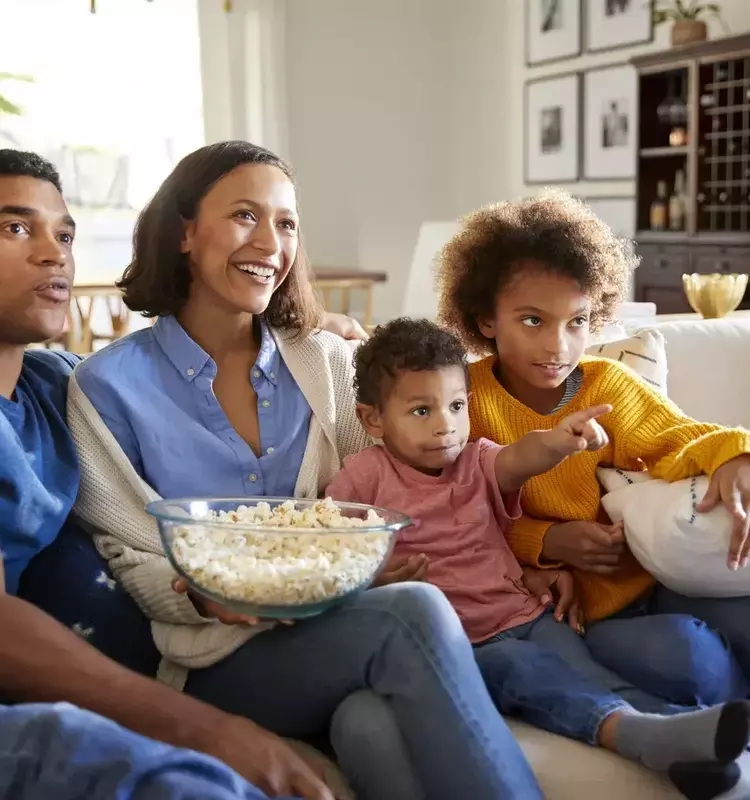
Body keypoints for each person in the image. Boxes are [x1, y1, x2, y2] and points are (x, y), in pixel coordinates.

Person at [69, 139, 547, 800]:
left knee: (368, 727)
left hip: (340, 629)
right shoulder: (106, 386)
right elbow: (127, 551)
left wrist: (531, 552)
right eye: (245, 215)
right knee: (414, 612)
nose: (270, 241)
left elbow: (412, 484)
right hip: (215, 657)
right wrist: (204, 591)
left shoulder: (329, 364)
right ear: (184, 231)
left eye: (286, 223)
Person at [0, 148, 338, 799]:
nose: (54, 254)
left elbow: (148, 380)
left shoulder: (56, 387)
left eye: (63, 234)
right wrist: (205, 728)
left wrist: (322, 339)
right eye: (16, 228)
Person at [325, 316, 750, 799]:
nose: (446, 426)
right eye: (422, 411)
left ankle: (694, 744)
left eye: (457, 406)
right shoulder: (363, 479)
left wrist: (558, 441)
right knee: (525, 671)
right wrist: (374, 575)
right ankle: (659, 738)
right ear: (373, 419)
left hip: (529, 615)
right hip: (464, 644)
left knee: (590, 677)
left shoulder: (476, 459)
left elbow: (520, 457)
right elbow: (335, 553)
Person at [435, 190, 750, 704]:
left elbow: (682, 439)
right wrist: (546, 543)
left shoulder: (608, 384)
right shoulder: (461, 398)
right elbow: (449, 515)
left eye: (576, 321)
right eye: (533, 320)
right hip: (572, 614)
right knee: (694, 661)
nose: (558, 345)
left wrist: (737, 456)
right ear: (486, 319)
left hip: (656, 582)